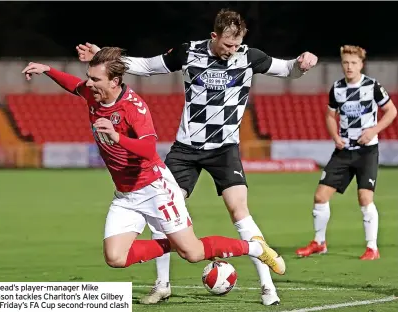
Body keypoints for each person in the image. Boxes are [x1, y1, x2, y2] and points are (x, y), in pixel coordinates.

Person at [76, 9, 317, 305]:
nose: (232, 51)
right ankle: (162, 284)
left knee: (239, 211)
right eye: (227, 45)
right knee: (159, 213)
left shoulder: (249, 56)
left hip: (225, 148)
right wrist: (106, 58)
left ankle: (268, 286)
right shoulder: (188, 52)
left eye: (237, 44)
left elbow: (287, 69)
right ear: (214, 36)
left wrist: (302, 63)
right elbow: (149, 66)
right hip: (186, 148)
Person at [21, 47, 286, 296]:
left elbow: (149, 150)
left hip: (155, 188)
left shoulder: (134, 108)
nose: (88, 84)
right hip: (126, 196)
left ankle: (255, 247)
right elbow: (73, 85)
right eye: (89, 78)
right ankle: (174, 242)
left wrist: (117, 137)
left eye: (94, 79)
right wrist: (47, 70)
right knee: (116, 257)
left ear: (114, 81)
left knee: (193, 253)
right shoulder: (93, 93)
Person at [296, 45, 397, 260]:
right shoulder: (337, 88)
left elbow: (391, 111)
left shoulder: (372, 86)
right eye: (345, 62)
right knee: (320, 196)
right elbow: (330, 116)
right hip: (343, 151)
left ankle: (372, 248)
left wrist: (373, 130)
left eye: (353, 63)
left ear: (361, 64)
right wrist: (335, 136)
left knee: (364, 197)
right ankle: (319, 243)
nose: (349, 66)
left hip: (366, 151)